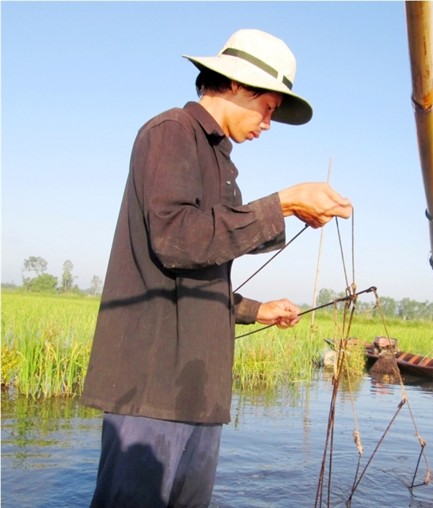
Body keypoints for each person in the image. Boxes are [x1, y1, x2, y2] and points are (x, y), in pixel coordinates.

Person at [81, 28, 353, 507]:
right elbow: (176, 240)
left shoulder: (218, 159)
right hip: (151, 389)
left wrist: (257, 310)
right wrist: (284, 203)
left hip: (197, 392)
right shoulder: (170, 133)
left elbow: (201, 266)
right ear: (236, 85)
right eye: (268, 108)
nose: (268, 123)